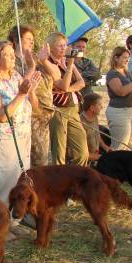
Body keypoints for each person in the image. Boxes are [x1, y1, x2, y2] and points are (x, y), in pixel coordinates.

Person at [0, 40, 41, 206]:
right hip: (4, 140)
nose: (13, 57)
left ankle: (13, 220)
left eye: (12, 54)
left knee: (18, 180)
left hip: (23, 136)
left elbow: (35, 107)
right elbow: (1, 115)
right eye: (7, 54)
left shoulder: (16, 76)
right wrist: (21, 94)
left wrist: (32, 90)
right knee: (3, 184)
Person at [8, 25, 53, 166]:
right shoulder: (11, 61)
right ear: (16, 40)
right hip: (26, 118)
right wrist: (30, 68)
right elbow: (18, 87)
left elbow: (55, 78)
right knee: (28, 161)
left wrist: (43, 61)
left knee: (41, 160)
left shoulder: (36, 59)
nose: (32, 42)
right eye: (28, 39)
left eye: (33, 39)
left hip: (43, 117)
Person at [42, 32, 88, 166]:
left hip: (73, 107)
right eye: (60, 46)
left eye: (65, 45)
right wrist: (69, 70)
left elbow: (81, 83)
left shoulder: (66, 61)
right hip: (59, 109)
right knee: (59, 151)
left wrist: (67, 89)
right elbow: (63, 83)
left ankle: (77, 178)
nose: (64, 48)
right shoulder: (48, 63)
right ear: (50, 47)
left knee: (82, 151)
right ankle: (60, 181)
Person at [105, 46, 132, 150]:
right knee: (120, 145)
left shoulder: (128, 73)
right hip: (119, 111)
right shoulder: (112, 74)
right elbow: (121, 91)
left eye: (128, 57)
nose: (127, 60)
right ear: (116, 58)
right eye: (124, 57)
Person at [80, 93, 111, 162]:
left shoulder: (94, 118)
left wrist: (105, 147)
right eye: (99, 105)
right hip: (84, 161)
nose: (102, 107)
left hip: (94, 157)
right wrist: (101, 157)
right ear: (92, 108)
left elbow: (97, 134)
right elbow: (80, 153)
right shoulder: (80, 123)